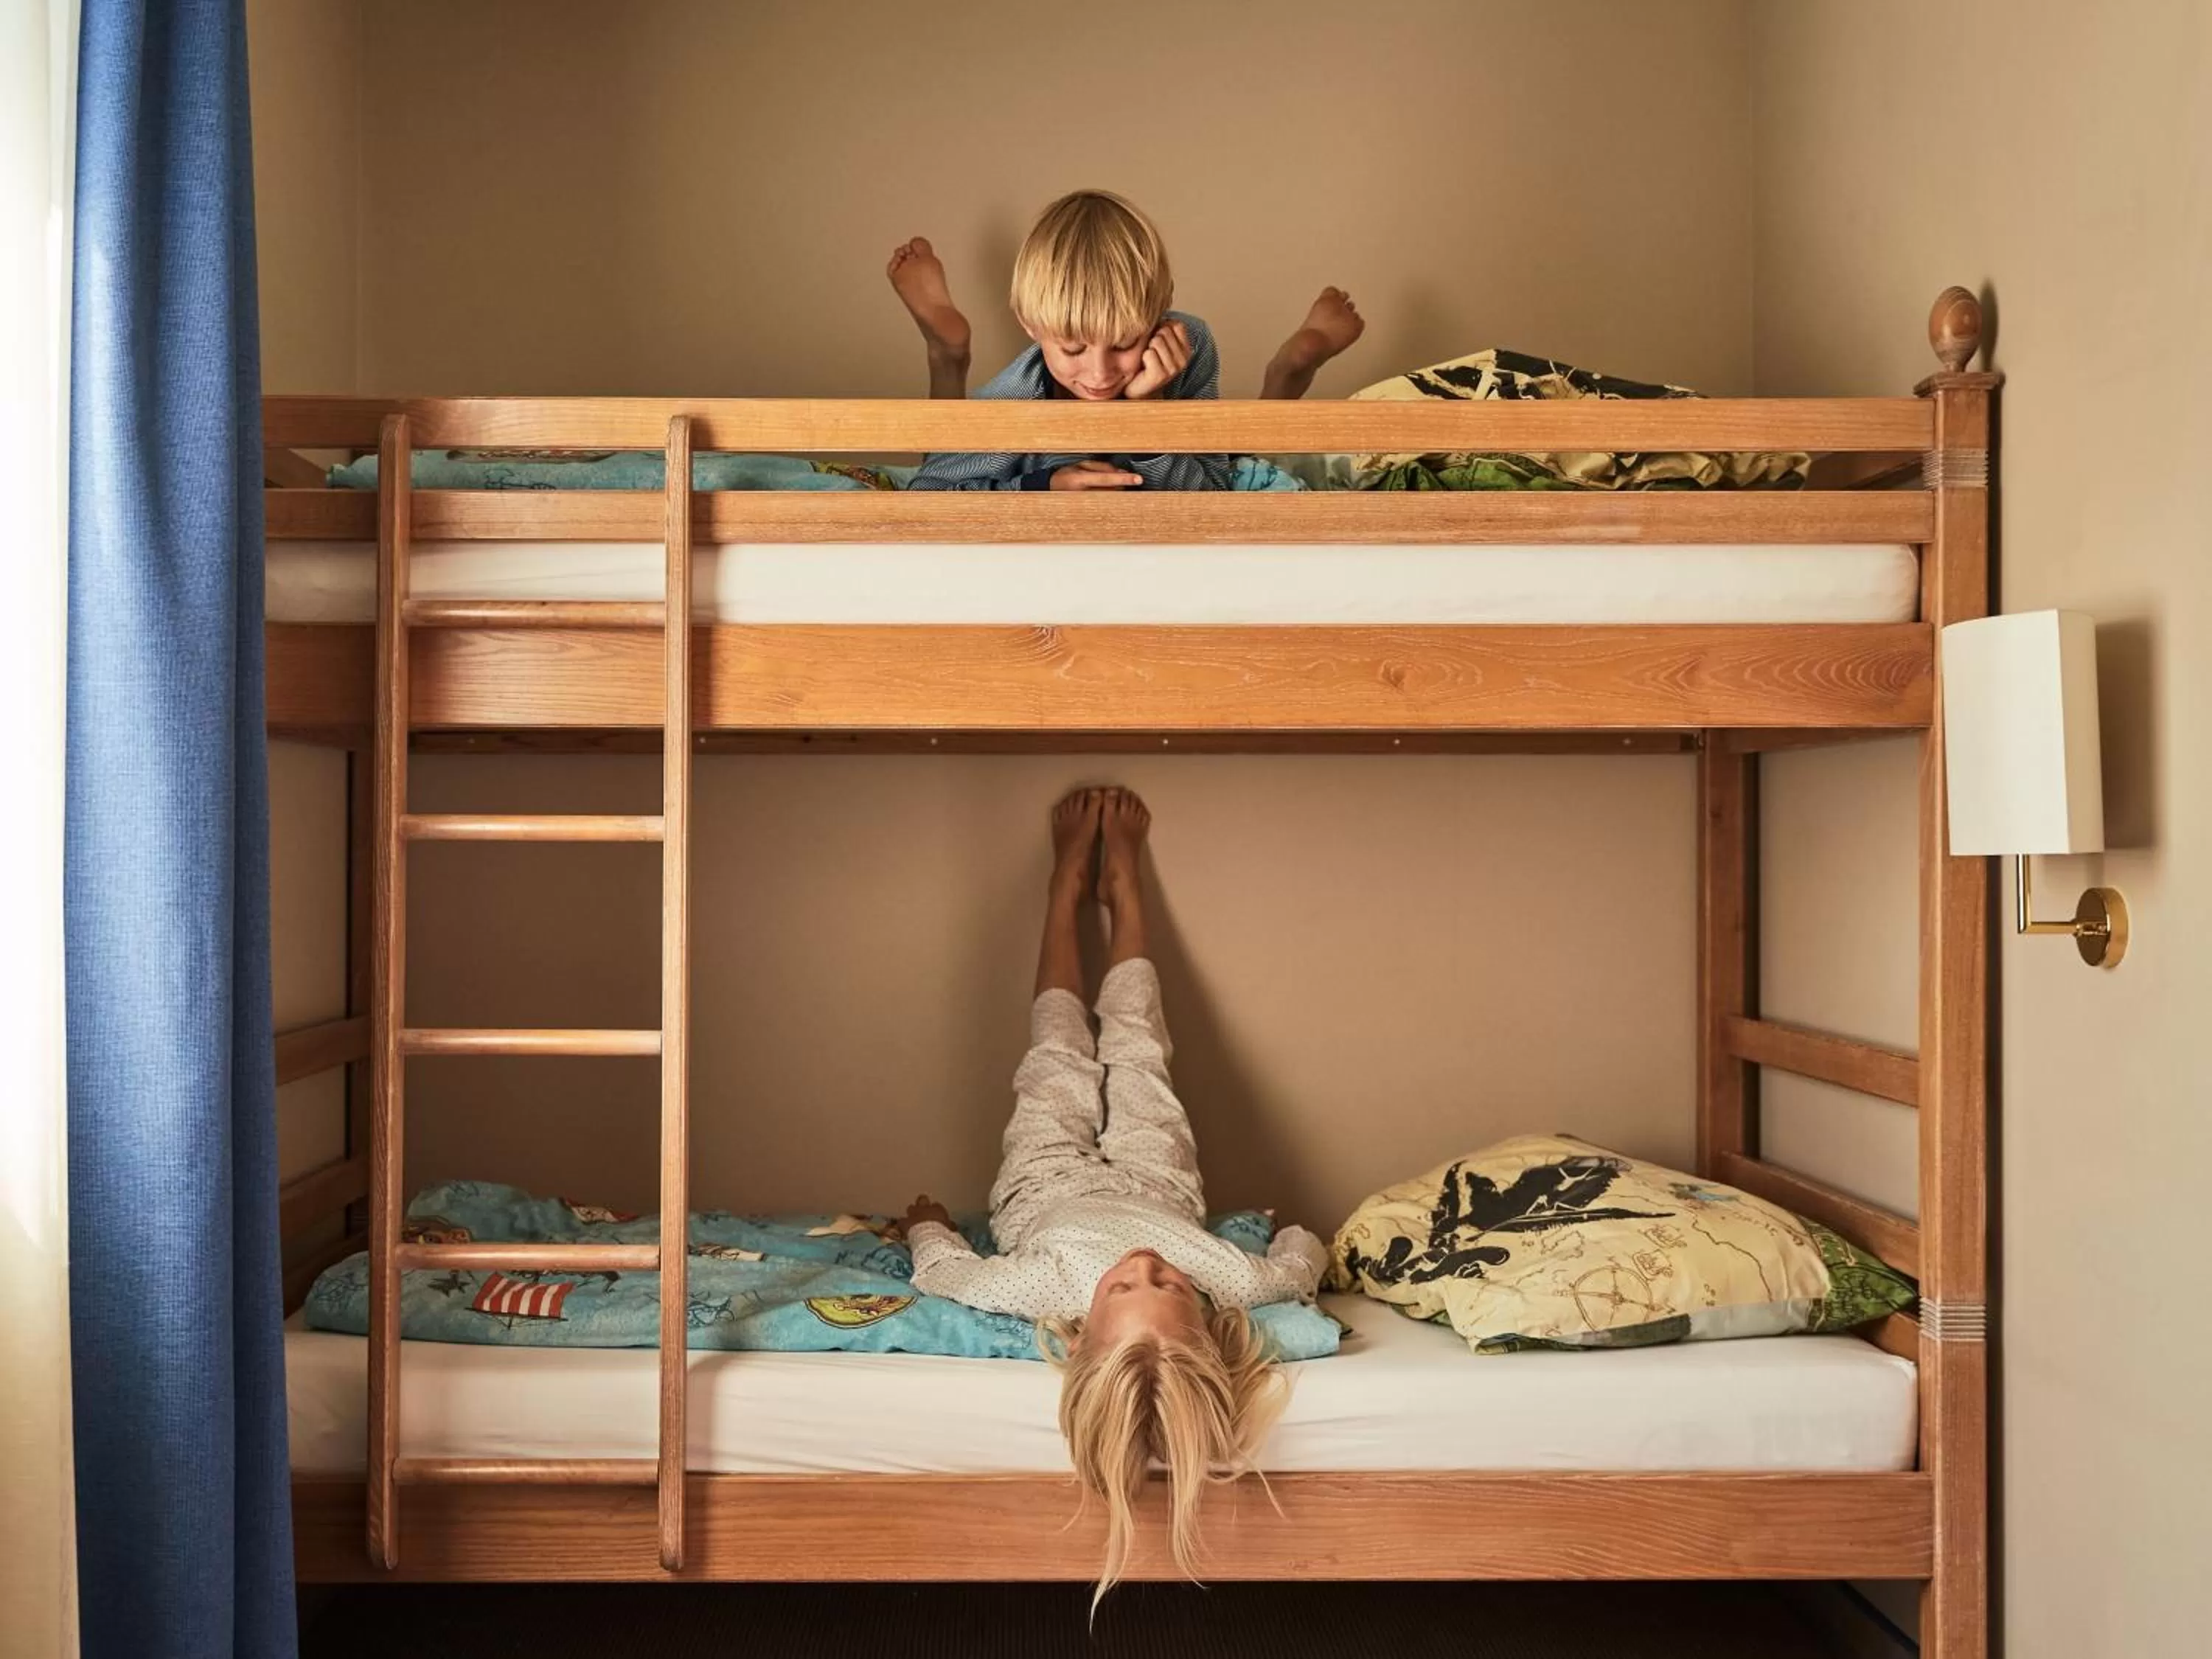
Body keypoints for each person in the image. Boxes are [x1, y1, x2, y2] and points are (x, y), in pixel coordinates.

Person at [902, 787, 1327, 1595]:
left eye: (1125, 1287)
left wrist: (927, 1225)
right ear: (1202, 1312)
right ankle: (1123, 893)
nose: (1145, 1265)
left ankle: (1064, 892)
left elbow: (945, 1273)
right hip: (1156, 1172)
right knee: (1137, 1040)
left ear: (1079, 1332)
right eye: (1166, 1284)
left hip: (1045, 1176)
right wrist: (1299, 1229)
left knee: (1059, 1036)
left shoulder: (1040, 1289)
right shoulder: (1230, 1281)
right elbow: (1299, 1267)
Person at [886, 189, 1365, 490]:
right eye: (1072, 348)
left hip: (1204, 450)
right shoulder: (1012, 400)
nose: (1099, 374)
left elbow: (1213, 492)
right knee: (948, 450)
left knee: (1250, 461)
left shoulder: (1186, 341)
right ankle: (948, 354)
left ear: (1160, 315)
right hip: (1007, 438)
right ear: (1030, 326)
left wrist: (1149, 413)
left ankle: (1289, 372)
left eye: (1123, 344)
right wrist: (1042, 485)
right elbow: (930, 495)